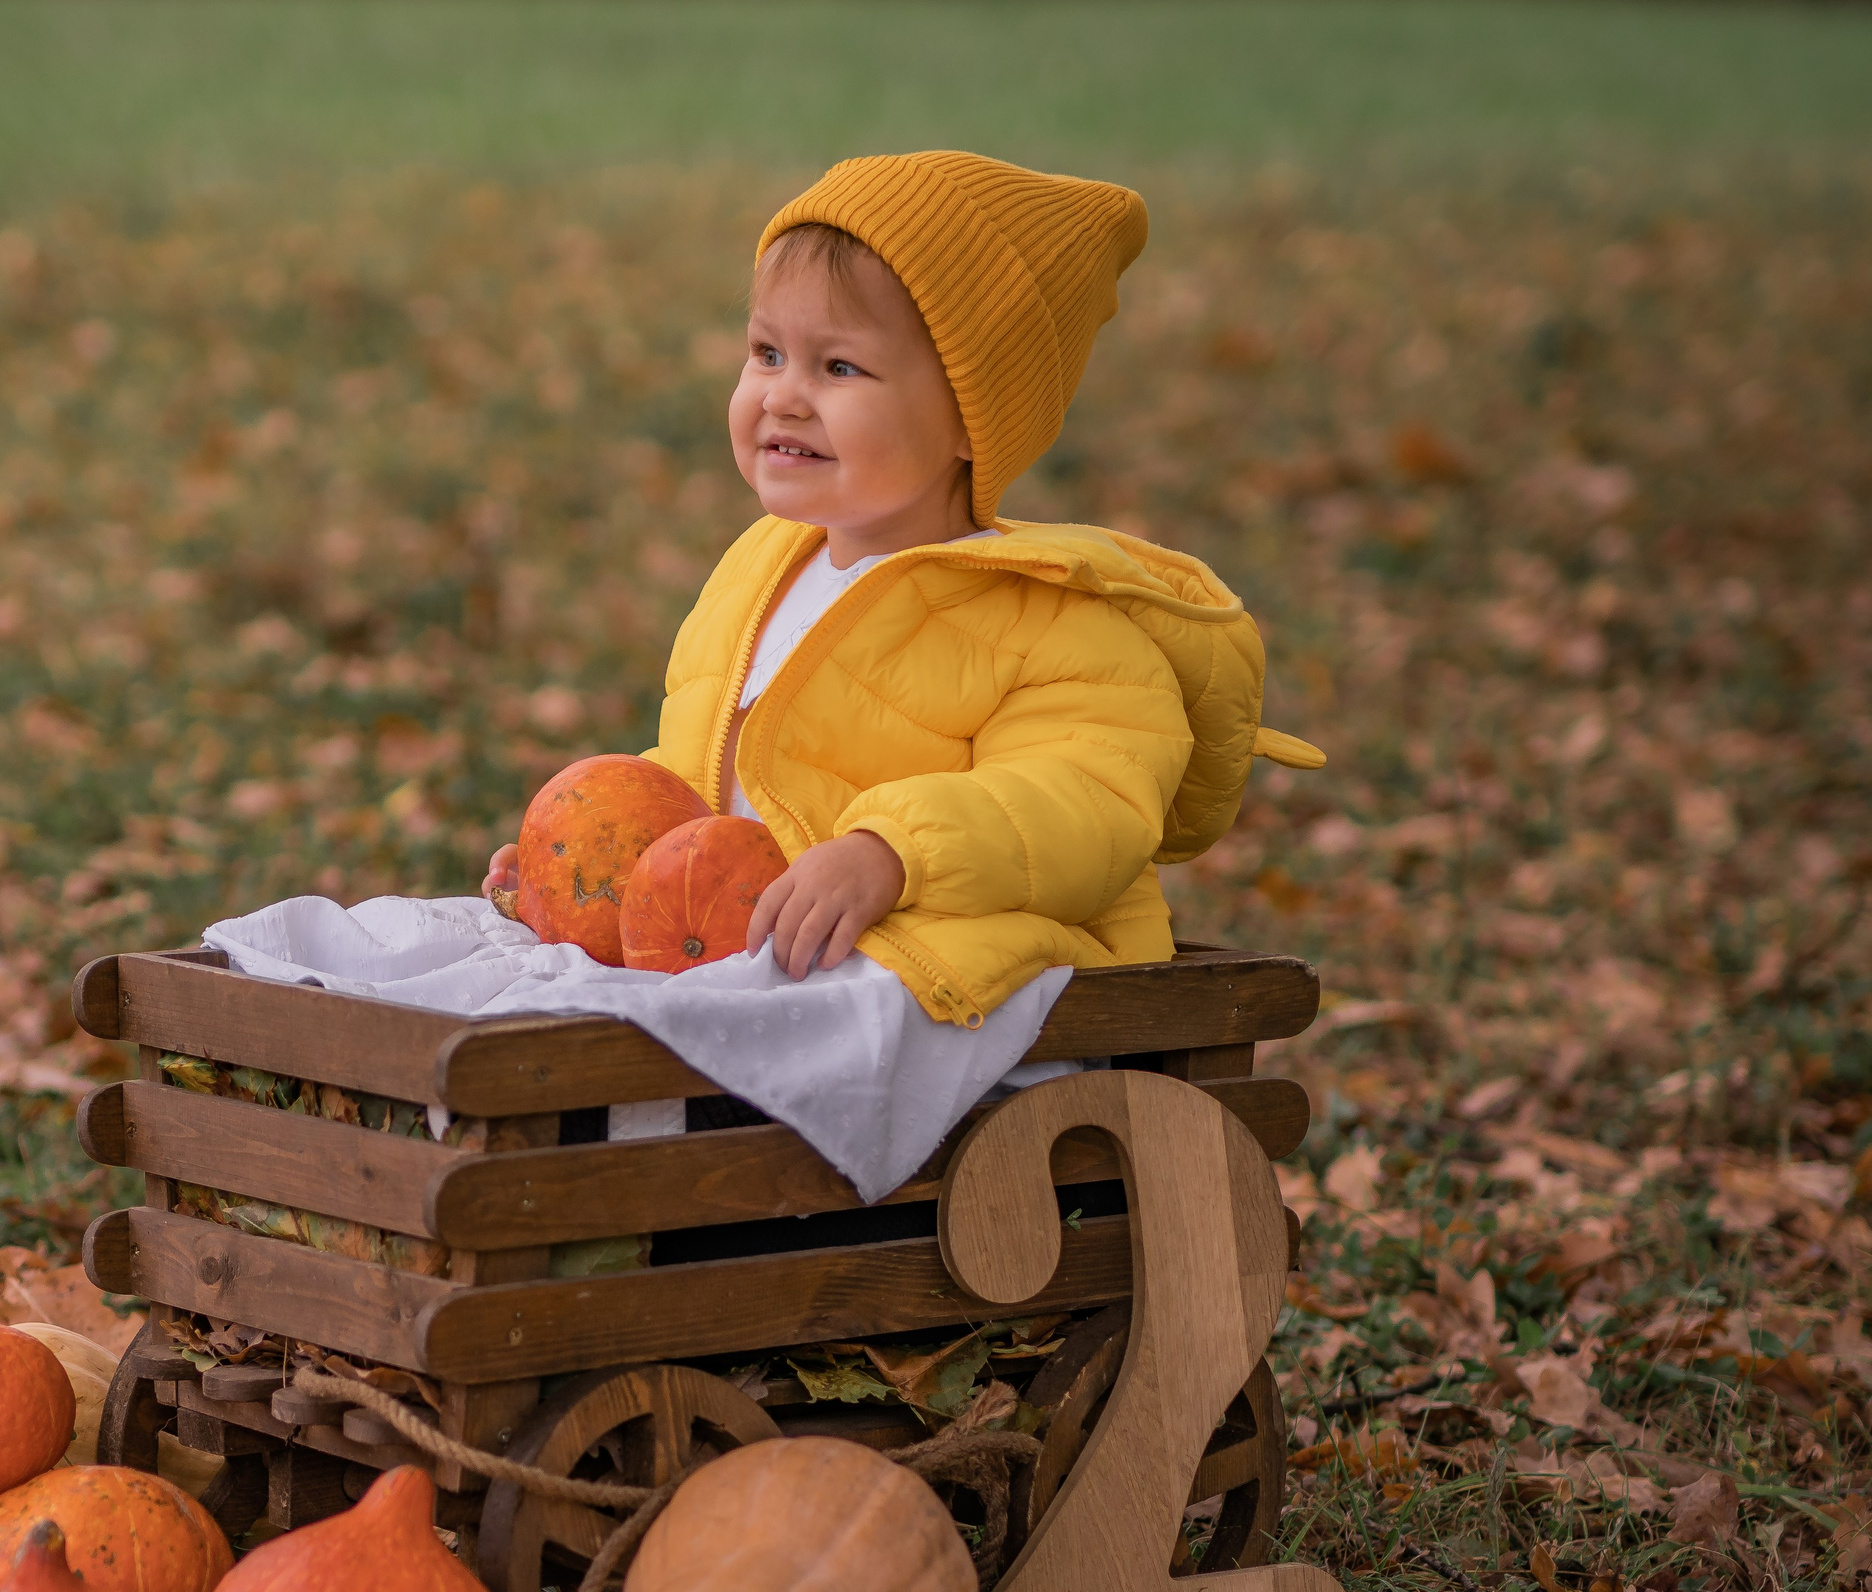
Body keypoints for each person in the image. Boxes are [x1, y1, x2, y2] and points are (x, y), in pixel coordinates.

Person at [482, 151, 1321, 1026]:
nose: (785, 397)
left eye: (839, 368)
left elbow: (1086, 806)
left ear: (970, 418)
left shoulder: (1061, 627)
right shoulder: (760, 568)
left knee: (859, 1001)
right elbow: (716, 780)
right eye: (767, 353)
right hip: (762, 949)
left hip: (968, 985)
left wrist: (893, 853)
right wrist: (605, 861)